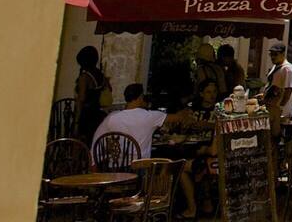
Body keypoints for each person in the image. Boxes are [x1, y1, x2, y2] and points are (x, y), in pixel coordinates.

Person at [93, 83, 209, 217]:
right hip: (139, 172)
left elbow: (100, 140)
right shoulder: (149, 116)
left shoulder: (112, 118)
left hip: (115, 170)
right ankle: (161, 207)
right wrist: (185, 110)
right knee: (167, 166)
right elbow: (177, 118)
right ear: (140, 97)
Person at [74, 46, 112, 139]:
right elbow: (109, 89)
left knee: (82, 143)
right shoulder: (100, 74)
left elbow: (81, 99)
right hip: (98, 114)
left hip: (86, 116)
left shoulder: (85, 77)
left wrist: (76, 121)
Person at [264, 43, 292, 117]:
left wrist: (281, 106)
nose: (272, 57)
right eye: (271, 54)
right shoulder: (275, 66)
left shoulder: (288, 69)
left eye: (275, 54)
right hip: (271, 106)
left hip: (281, 111)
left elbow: (288, 90)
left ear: (282, 54)